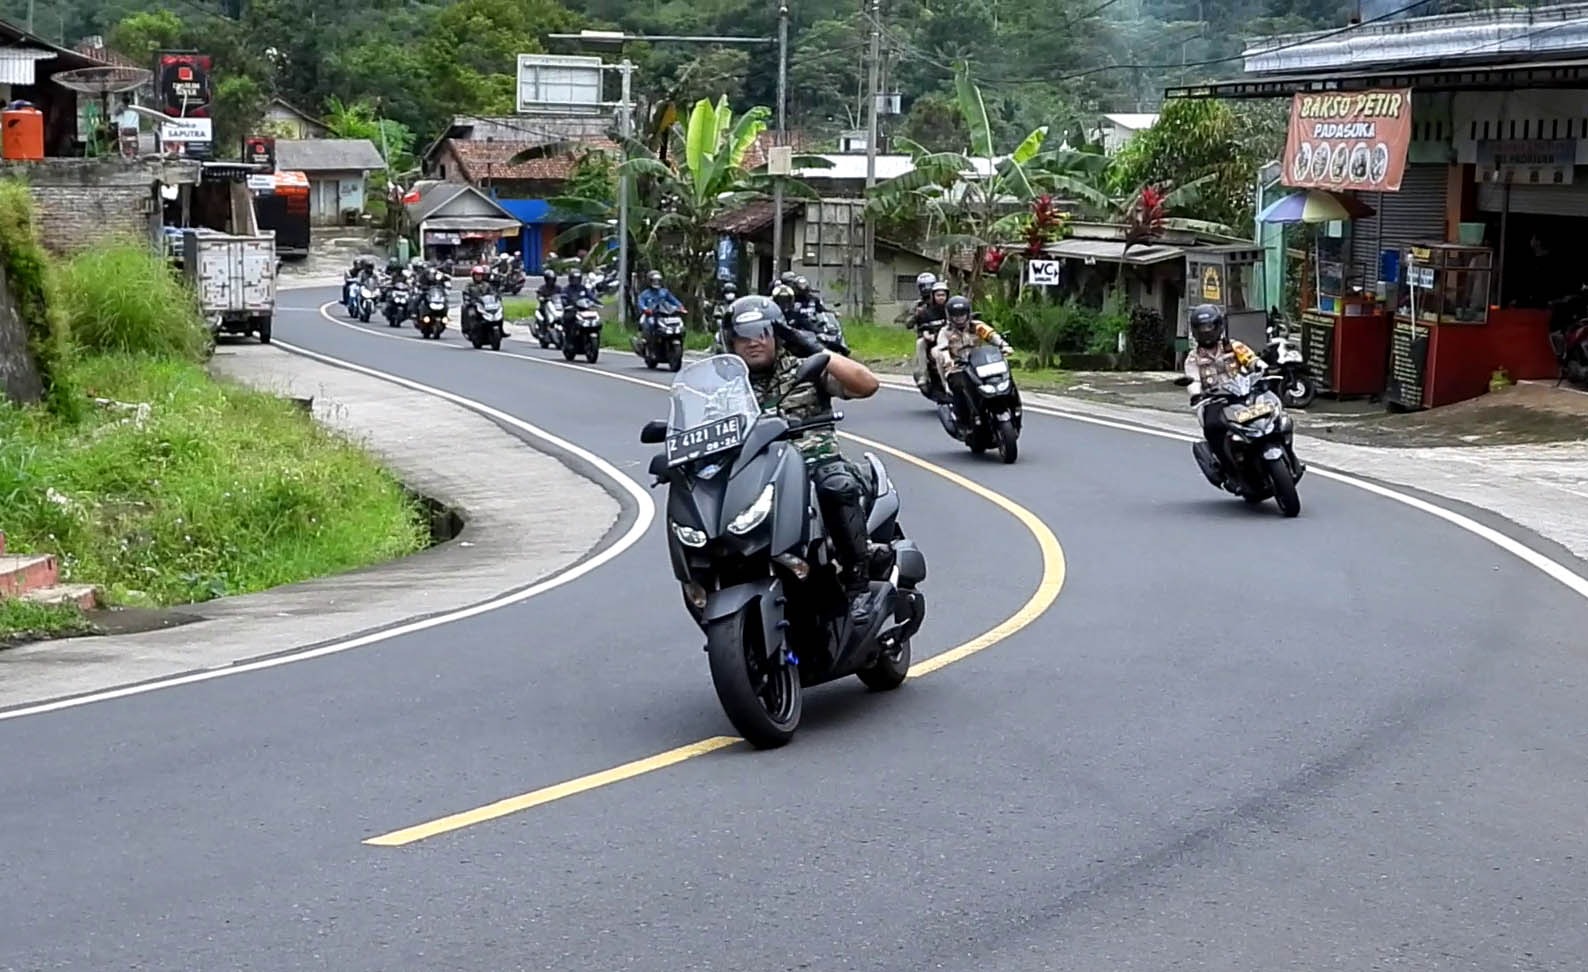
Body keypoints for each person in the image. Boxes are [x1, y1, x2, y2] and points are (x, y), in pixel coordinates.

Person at [722, 295, 881, 625]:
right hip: (751, 474)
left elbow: (868, 385)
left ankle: (858, 585)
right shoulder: (725, 386)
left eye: (762, 333)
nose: (754, 343)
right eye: (743, 336)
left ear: (777, 334)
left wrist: (816, 351)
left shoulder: (804, 369)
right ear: (730, 340)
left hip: (813, 464)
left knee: (836, 486)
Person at [1184, 303, 1263, 481]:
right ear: (1196, 331)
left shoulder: (1233, 346)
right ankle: (1228, 468)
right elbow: (1193, 378)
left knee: (1270, 411)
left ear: (1218, 326)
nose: (1206, 332)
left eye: (1209, 327)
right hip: (1214, 400)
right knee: (1212, 428)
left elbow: (1250, 359)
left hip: (1242, 392)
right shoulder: (1192, 358)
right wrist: (1196, 393)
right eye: (1202, 328)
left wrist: (1259, 366)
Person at [933, 295, 1015, 428]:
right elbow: (942, 348)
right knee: (958, 388)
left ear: (968, 313)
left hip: (980, 364)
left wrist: (1004, 345)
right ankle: (963, 421)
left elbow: (992, 335)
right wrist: (948, 359)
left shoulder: (977, 326)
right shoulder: (945, 332)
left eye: (962, 314)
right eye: (956, 315)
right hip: (958, 368)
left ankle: (1013, 407)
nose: (959, 318)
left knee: (1002, 378)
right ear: (950, 316)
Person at [637, 270, 684, 340]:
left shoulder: (664, 292)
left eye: (658, 281)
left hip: (664, 314)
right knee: (650, 324)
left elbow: (673, 300)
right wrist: (645, 309)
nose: (656, 282)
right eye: (654, 281)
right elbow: (640, 303)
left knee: (676, 324)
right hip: (650, 315)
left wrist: (680, 306)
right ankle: (646, 340)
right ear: (649, 281)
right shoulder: (644, 294)